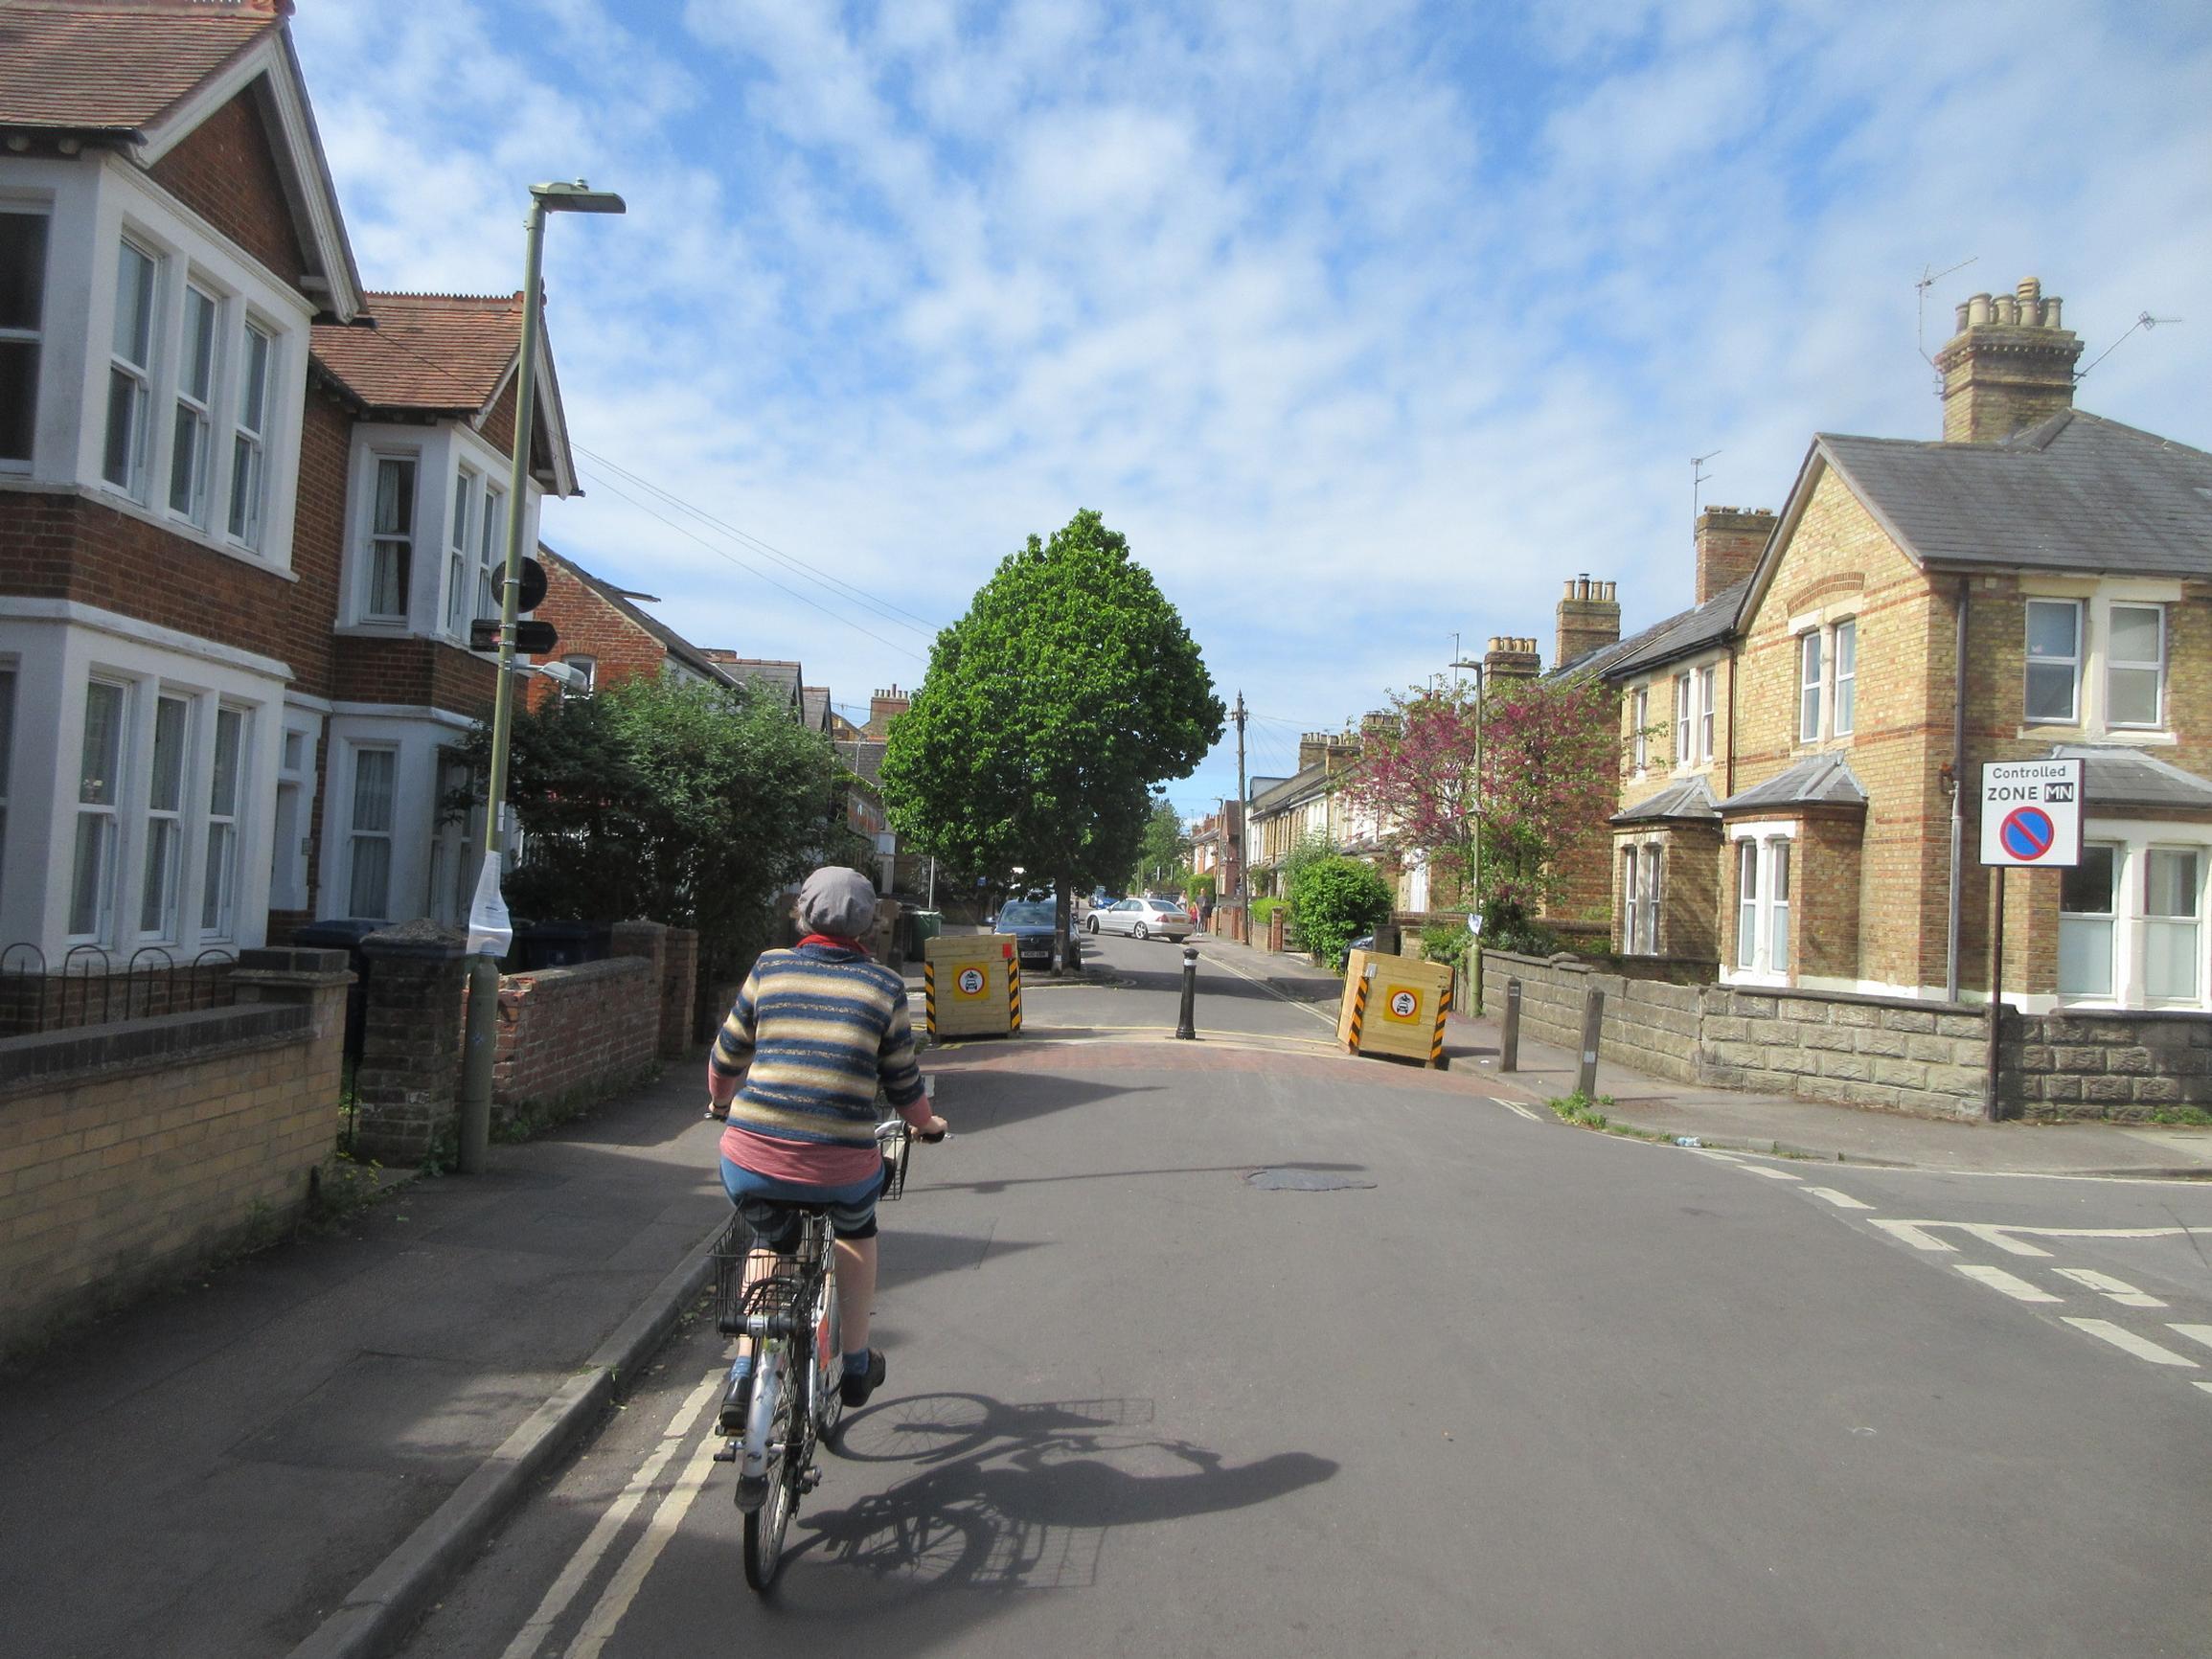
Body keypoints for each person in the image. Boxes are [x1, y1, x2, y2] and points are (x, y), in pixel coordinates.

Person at [707, 866, 947, 1429]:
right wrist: (926, 1124)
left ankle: (744, 1371)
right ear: (867, 925)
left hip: (751, 1156)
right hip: (841, 1164)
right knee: (857, 1228)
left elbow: (726, 1058)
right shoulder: (884, 985)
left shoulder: (769, 967)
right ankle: (858, 1362)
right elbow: (903, 1083)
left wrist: (720, 1106)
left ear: (803, 913)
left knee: (769, 1238)